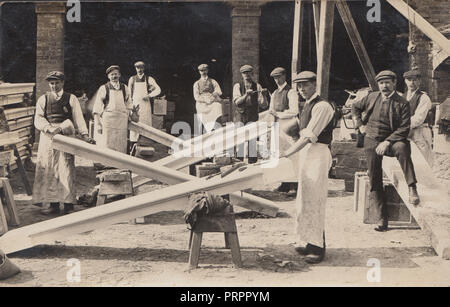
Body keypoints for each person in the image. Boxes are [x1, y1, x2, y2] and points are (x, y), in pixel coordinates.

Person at [352, 70, 420, 232]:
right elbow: (354, 107)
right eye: (382, 83)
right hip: (371, 140)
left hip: (392, 140)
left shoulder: (403, 102)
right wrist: (359, 125)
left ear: (395, 83)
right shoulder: (371, 97)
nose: (385, 86)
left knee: (403, 148)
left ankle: (412, 187)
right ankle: (383, 218)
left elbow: (404, 127)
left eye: (388, 82)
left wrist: (387, 142)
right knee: (374, 178)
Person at [281, 71, 335, 264]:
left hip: (318, 153)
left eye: (306, 85)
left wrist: (288, 152)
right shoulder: (306, 106)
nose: (302, 89)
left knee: (315, 200)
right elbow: (295, 131)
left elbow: (308, 136)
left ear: (315, 84)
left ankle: (318, 247)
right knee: (304, 199)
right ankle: (308, 241)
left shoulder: (322, 106)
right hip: (307, 154)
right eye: (299, 86)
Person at [33, 71, 92, 215]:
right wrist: (49, 128)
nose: (54, 86)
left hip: (66, 135)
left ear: (62, 83)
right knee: (50, 169)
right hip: (49, 136)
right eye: (52, 83)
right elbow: (38, 119)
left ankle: (68, 204)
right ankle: (53, 204)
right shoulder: (43, 99)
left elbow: (78, 118)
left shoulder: (71, 98)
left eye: (57, 83)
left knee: (66, 169)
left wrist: (84, 134)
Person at [268, 67, 300, 195]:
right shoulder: (275, 93)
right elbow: (271, 109)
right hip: (277, 126)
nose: (277, 80)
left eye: (279, 77)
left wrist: (279, 114)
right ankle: (284, 183)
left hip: (289, 126)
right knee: (280, 154)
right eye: (275, 78)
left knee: (292, 154)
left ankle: (294, 184)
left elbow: (294, 110)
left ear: (284, 76)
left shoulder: (291, 92)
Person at [232, 64, 268, 163]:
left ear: (252, 74)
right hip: (240, 116)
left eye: (248, 73)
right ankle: (238, 164)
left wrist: (264, 96)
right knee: (240, 141)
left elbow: (263, 105)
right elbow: (236, 102)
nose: (246, 75)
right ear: (241, 75)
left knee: (252, 141)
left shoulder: (257, 86)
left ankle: (252, 165)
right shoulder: (238, 86)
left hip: (252, 116)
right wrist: (246, 95)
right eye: (244, 73)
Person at [93, 65, 133, 153]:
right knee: (107, 142)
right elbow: (97, 106)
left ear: (119, 75)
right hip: (108, 120)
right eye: (112, 75)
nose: (114, 76)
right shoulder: (104, 88)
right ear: (108, 76)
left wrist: (129, 114)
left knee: (121, 142)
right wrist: (98, 124)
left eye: (116, 74)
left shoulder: (124, 88)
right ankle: (107, 163)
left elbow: (129, 103)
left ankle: (120, 163)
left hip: (121, 121)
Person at [128, 61, 161, 153]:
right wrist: (130, 105)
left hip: (145, 105)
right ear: (135, 69)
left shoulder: (148, 79)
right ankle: (132, 150)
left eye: (141, 67)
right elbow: (129, 94)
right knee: (134, 126)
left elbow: (158, 89)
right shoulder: (132, 79)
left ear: (144, 68)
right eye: (138, 68)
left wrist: (149, 95)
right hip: (135, 105)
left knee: (146, 125)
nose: (139, 69)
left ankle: (146, 150)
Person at [402, 69, 434, 166]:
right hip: (406, 133)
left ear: (419, 81)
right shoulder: (403, 97)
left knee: (422, 162)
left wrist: (401, 126)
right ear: (405, 81)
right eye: (409, 80)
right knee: (408, 162)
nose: (412, 82)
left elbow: (418, 119)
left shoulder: (423, 97)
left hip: (420, 132)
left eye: (415, 80)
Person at [193, 64, 223, 133]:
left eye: (205, 70)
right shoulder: (196, 83)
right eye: (202, 71)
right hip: (202, 102)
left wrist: (213, 96)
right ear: (199, 72)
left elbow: (219, 91)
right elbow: (196, 96)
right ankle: (205, 129)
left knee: (218, 106)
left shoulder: (212, 81)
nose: (203, 72)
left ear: (207, 70)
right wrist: (204, 100)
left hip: (211, 100)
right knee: (199, 107)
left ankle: (215, 128)